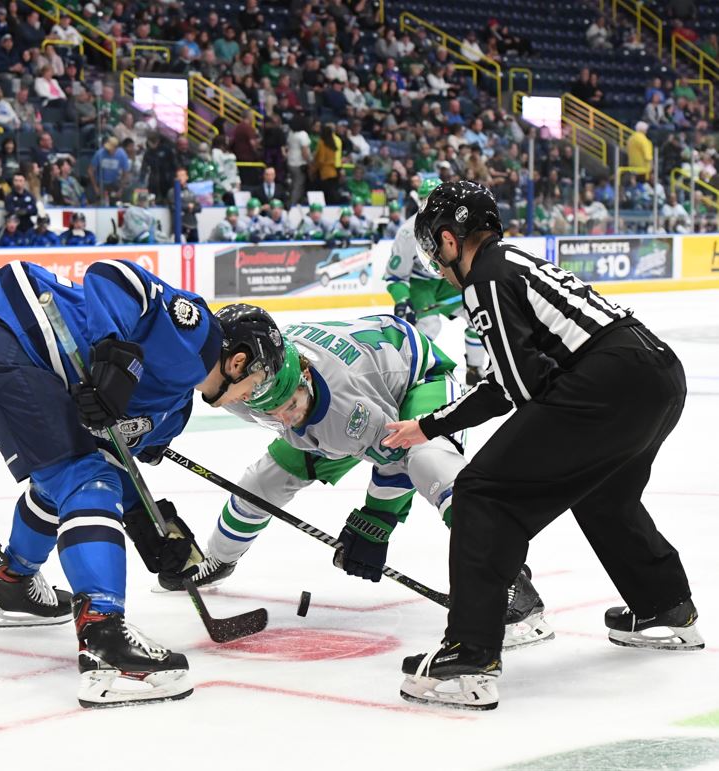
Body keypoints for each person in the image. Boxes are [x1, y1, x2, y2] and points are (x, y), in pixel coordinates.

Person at [385, 181, 703, 711]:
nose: (435, 265)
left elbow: (515, 387)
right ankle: (665, 606)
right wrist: (430, 426)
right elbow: (525, 377)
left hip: (611, 380)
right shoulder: (513, 260)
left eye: (432, 250)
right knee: (604, 496)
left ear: (447, 239)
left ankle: (470, 654)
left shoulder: (484, 276)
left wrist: (435, 426)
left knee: (483, 494)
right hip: (658, 372)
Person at [0, 257, 287, 706]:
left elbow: (112, 454)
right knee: (84, 481)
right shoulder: (199, 336)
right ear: (240, 360)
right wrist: (114, 352)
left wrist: (147, 524)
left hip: (11, 364)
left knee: (68, 478)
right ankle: (105, 643)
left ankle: (12, 584)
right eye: (257, 381)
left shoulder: (172, 414)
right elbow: (114, 275)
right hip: (17, 340)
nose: (252, 394)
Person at [156, 316, 551, 650]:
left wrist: (377, 520)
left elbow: (395, 459)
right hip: (337, 399)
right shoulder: (254, 375)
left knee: (430, 463)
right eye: (271, 412)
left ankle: (510, 578)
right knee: (263, 481)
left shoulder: (345, 410)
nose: (284, 419)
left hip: (415, 381)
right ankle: (219, 559)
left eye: (290, 405)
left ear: (303, 377)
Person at [384, 178, 486, 384]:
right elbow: (395, 275)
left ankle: (474, 369)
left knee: (478, 314)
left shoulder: (459, 224)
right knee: (429, 325)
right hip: (422, 284)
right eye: (428, 200)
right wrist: (403, 301)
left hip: (449, 280)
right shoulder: (407, 233)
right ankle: (413, 374)